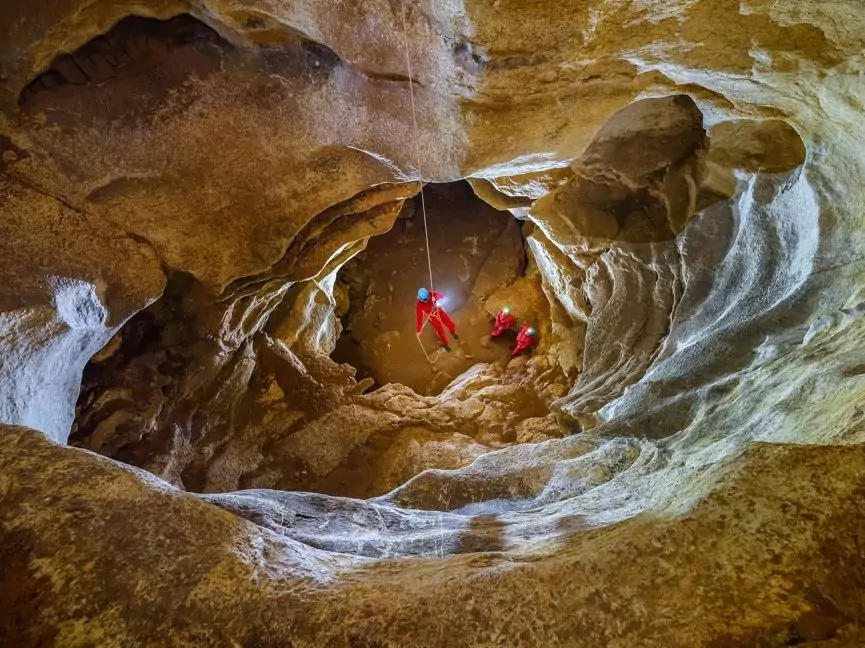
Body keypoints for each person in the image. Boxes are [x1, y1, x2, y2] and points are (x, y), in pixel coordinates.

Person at [416, 287, 459, 352]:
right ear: (420, 299)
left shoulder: (431, 294)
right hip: (432, 316)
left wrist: (436, 298)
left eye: (427, 298)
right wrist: (419, 330)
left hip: (438, 310)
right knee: (440, 331)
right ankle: (445, 344)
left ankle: (453, 332)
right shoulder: (419, 305)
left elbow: (441, 296)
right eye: (424, 300)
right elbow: (419, 317)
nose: (426, 300)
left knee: (450, 323)